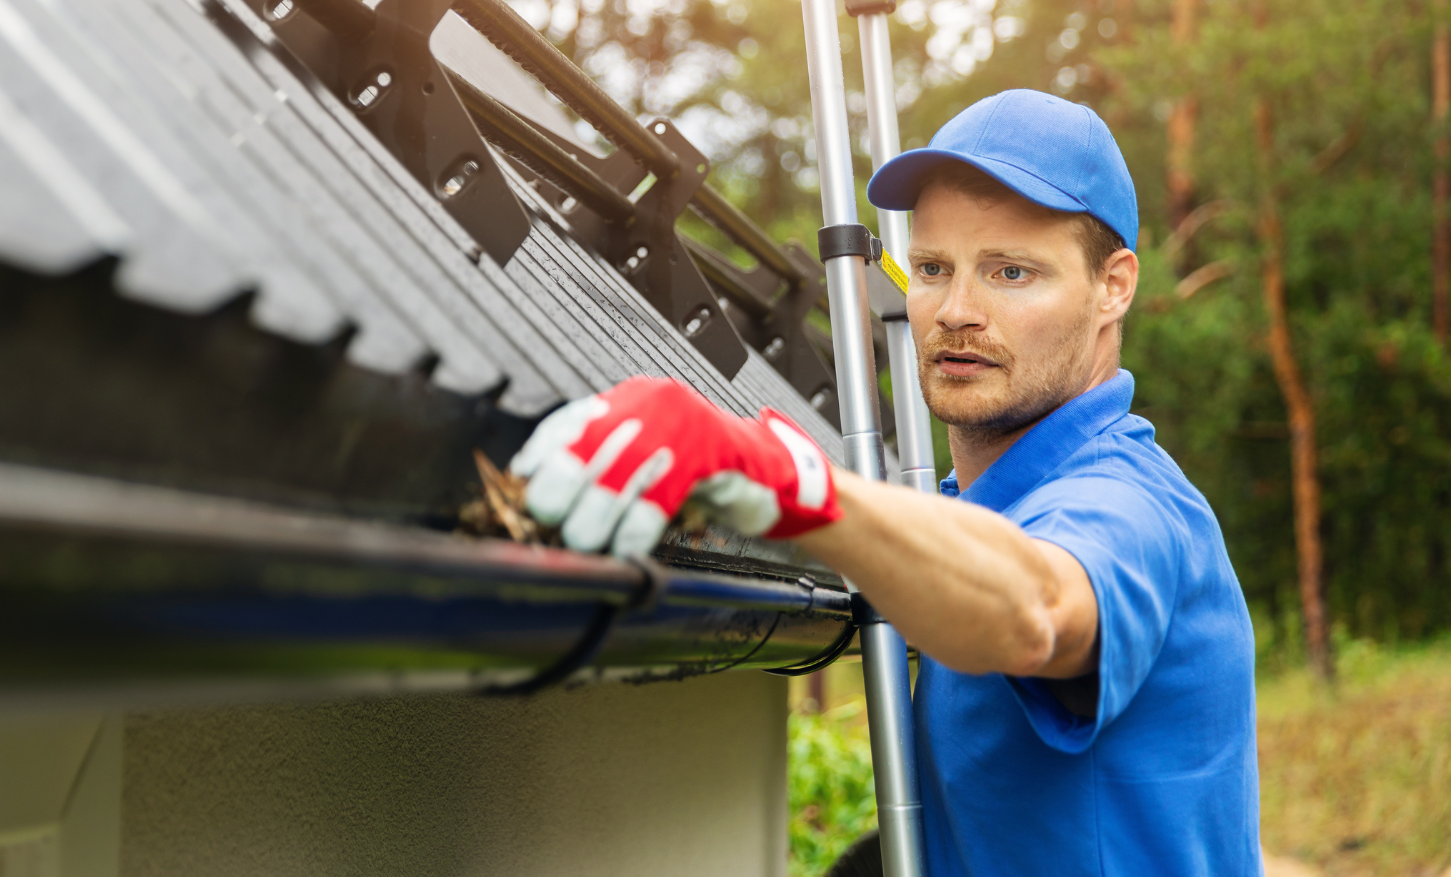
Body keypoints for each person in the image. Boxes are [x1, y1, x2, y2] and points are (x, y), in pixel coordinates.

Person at [508, 90, 1261, 876]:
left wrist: (794, 483)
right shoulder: (960, 506)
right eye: (933, 268)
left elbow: (1037, 607)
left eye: (1011, 271)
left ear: (1114, 286)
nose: (956, 310)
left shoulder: (1130, 503)